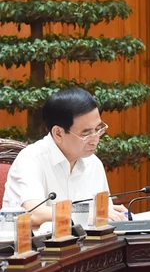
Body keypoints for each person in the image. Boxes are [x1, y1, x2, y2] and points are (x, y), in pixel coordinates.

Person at [2, 87, 128, 226]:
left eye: (98, 129)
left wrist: (115, 216)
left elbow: (103, 215)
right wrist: (85, 217)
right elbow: (33, 213)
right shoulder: (30, 160)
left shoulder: (93, 163)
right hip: (33, 246)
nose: (95, 139)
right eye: (86, 133)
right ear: (58, 133)